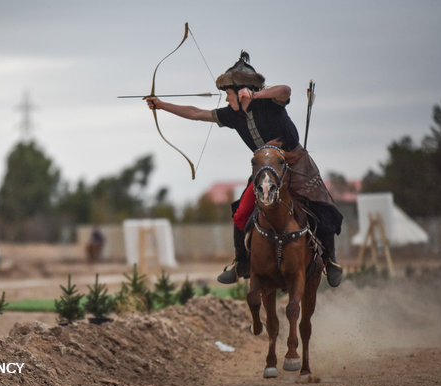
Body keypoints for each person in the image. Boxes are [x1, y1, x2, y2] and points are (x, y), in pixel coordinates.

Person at [146, 51, 343, 288]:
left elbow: (286, 90)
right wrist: (161, 105)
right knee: (241, 213)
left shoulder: (269, 103)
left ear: (242, 92)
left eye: (229, 94)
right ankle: (241, 263)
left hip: (296, 163)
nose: (226, 99)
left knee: (321, 208)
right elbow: (196, 113)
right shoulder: (232, 115)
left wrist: (256, 94)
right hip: (267, 169)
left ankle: (331, 261)